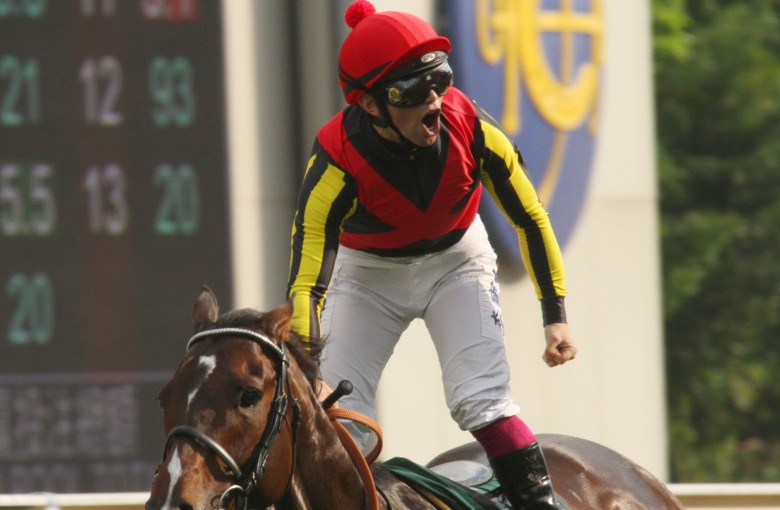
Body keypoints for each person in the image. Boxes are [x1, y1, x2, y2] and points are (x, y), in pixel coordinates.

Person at [286, 1, 577, 508]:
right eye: (413, 92)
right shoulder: (336, 160)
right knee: (337, 415)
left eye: (440, 80)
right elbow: (307, 281)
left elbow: (530, 217)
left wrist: (555, 314)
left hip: (457, 263)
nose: (436, 101)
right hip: (367, 278)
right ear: (370, 104)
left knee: (480, 400)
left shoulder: (475, 129)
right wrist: (310, 367)